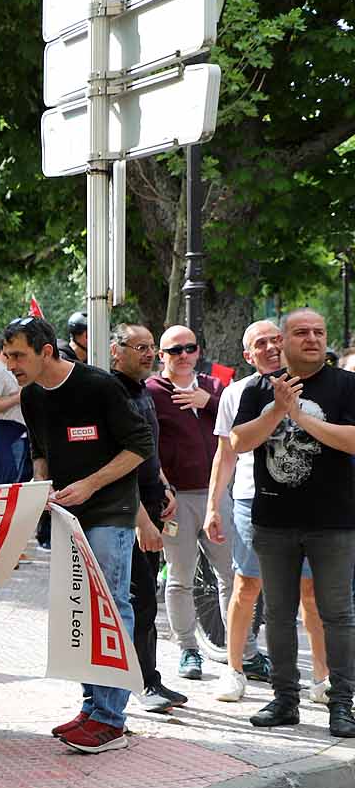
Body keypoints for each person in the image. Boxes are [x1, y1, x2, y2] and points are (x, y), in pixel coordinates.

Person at [3, 315, 153, 753]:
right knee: (82, 609)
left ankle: (111, 719)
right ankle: (92, 706)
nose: (10, 363)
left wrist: (90, 483)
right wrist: (40, 479)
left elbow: (139, 446)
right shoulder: (30, 396)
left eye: (18, 355)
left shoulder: (99, 386)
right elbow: (40, 449)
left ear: (46, 351)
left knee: (111, 606)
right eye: (8, 355)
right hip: (67, 516)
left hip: (110, 509)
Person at [229, 309, 355, 739]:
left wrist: (300, 418)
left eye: (319, 332)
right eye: (302, 332)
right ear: (283, 340)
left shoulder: (346, 385)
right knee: (279, 615)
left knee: (337, 614)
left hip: (333, 520)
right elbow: (239, 442)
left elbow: (353, 439)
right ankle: (285, 700)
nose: (313, 339)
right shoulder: (259, 387)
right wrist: (276, 411)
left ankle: (342, 704)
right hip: (274, 520)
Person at [205, 320, 312, 702]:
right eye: (259, 344)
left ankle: (322, 679)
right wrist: (213, 507)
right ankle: (234, 670)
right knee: (247, 586)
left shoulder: (313, 383)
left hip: (309, 503)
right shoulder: (237, 393)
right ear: (248, 355)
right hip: (253, 501)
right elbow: (226, 453)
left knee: (310, 593)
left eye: (275, 340)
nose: (269, 347)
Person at [107, 323, 188, 713]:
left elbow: (147, 451)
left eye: (151, 346)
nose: (148, 353)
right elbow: (117, 462)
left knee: (146, 599)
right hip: (126, 510)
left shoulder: (144, 391)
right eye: (139, 346)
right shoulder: (110, 393)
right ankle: (135, 684)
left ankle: (149, 677)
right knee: (134, 599)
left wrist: (165, 487)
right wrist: (142, 519)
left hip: (152, 503)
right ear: (115, 350)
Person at [146, 325, 233, 680]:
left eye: (190, 348)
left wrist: (207, 403)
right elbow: (145, 444)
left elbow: (240, 425)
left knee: (232, 576)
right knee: (179, 579)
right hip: (177, 499)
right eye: (174, 350)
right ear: (161, 356)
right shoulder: (151, 391)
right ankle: (188, 649)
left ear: (198, 351)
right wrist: (161, 487)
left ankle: (241, 650)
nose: (183, 355)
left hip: (217, 496)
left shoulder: (215, 388)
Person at [0, 339, 30, 486]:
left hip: (17, 433)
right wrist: (18, 397)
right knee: (5, 484)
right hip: (3, 432)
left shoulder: (5, 369)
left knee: (16, 483)